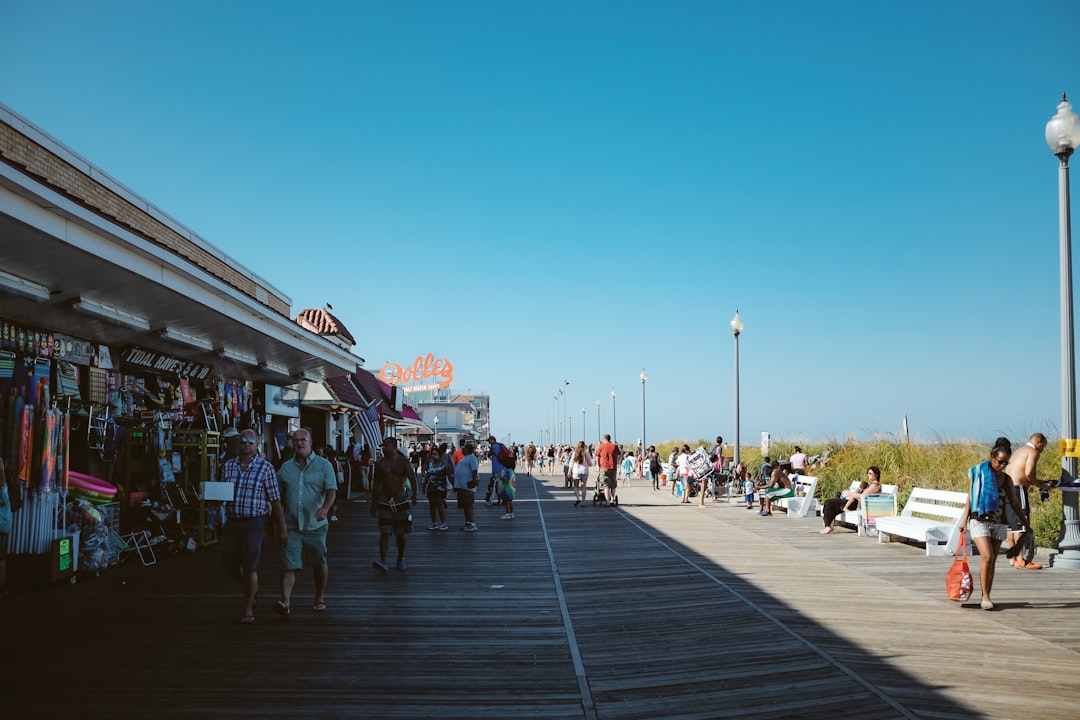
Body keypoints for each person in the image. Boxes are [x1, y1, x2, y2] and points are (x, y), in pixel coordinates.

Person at [220, 429, 286, 623]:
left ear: (257, 444)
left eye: (250, 442)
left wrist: (281, 527)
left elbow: (275, 500)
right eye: (243, 442)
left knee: (250, 566)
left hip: (254, 522)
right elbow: (223, 493)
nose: (246, 445)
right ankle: (251, 588)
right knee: (229, 564)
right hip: (232, 520)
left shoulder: (265, 468)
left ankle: (248, 607)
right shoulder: (228, 466)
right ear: (238, 444)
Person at [273, 428, 336, 616]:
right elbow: (277, 495)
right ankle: (285, 602)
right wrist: (276, 522)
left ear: (311, 442)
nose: (299, 443)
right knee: (289, 563)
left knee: (319, 562)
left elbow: (332, 490)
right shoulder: (286, 468)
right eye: (295, 440)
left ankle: (319, 596)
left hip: (315, 525)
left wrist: (325, 508)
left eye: (303, 440)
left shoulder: (324, 465)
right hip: (291, 524)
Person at [960, 438, 1025, 610]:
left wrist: (1025, 524)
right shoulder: (979, 473)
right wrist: (964, 520)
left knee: (993, 560)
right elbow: (970, 497)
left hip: (999, 522)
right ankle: (986, 597)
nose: (1002, 465)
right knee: (987, 556)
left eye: (1005, 462)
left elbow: (1014, 503)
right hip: (979, 519)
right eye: (999, 462)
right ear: (992, 457)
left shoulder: (1007, 480)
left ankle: (985, 594)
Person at [371, 436, 418, 571]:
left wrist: (415, 494)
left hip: (400, 499)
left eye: (386, 445)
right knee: (385, 531)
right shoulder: (380, 464)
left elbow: (412, 478)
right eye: (383, 446)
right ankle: (383, 561)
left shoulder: (403, 462)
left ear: (394, 447)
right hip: (384, 500)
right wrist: (374, 504)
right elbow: (376, 485)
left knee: (401, 533)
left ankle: (400, 558)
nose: (383, 448)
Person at [1004, 432, 1048, 569]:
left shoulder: (1019, 451)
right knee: (1021, 525)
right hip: (1018, 489)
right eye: (1043, 446)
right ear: (1038, 442)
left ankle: (1014, 559)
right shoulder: (1033, 452)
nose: (1043, 449)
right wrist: (1039, 484)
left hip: (1006, 488)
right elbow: (1029, 473)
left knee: (1011, 526)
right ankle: (1022, 559)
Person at [820, 466, 883, 534]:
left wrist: (849, 493)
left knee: (829, 503)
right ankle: (830, 526)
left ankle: (828, 527)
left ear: (876, 474)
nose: (868, 475)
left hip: (856, 504)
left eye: (870, 473)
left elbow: (862, 496)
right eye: (868, 473)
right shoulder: (870, 484)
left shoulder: (875, 486)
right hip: (854, 502)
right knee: (835, 499)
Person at [424, 442, 452, 531]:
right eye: (432, 454)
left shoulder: (444, 464)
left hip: (441, 488)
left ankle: (443, 523)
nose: (433, 456)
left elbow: (449, 476)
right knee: (431, 506)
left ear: (439, 455)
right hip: (431, 488)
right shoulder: (431, 464)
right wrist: (424, 486)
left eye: (435, 454)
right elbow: (427, 475)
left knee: (440, 506)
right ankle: (434, 523)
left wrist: (454, 486)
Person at [453, 442, 480, 531]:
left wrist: (473, 481)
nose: (462, 450)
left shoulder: (472, 458)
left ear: (468, 449)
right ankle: (468, 522)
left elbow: (474, 470)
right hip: (462, 486)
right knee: (465, 506)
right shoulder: (465, 458)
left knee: (469, 505)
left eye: (464, 448)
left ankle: (472, 523)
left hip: (467, 486)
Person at [595, 434, 621, 506]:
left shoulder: (600, 446)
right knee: (613, 484)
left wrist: (598, 465)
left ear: (604, 439)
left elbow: (597, 457)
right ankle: (612, 499)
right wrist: (617, 463)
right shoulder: (614, 446)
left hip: (603, 467)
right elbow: (618, 455)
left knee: (606, 485)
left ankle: (607, 502)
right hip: (613, 467)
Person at [569, 441, 594, 506]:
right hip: (584, 471)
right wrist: (590, 464)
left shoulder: (575, 452)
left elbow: (571, 463)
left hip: (576, 472)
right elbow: (590, 463)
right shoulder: (586, 452)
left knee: (576, 486)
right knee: (583, 487)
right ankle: (583, 502)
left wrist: (569, 471)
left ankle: (578, 498)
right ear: (584, 445)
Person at [0, 457, 11, 601]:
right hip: (4, 523)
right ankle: (3, 588)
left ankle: (2, 588)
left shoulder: (2, 486)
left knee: (1, 558)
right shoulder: (4, 487)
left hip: (1, 523)